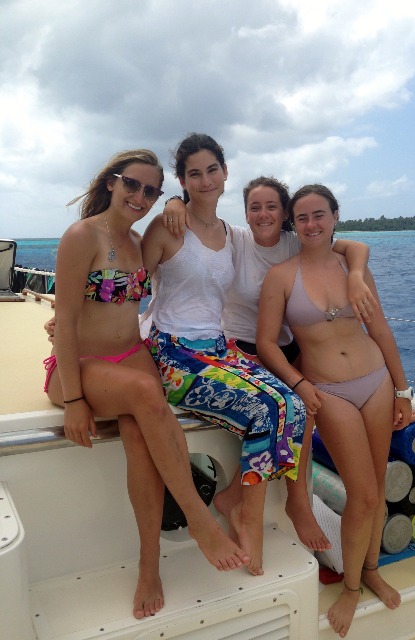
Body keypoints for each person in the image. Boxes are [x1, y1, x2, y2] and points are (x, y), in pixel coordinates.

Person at [43, 149, 249, 620]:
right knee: (143, 394)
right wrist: (74, 400)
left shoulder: (139, 241)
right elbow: (67, 321)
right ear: (111, 183)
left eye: (150, 190)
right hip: (79, 365)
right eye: (131, 184)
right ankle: (200, 520)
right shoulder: (82, 236)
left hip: (128, 355)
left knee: (140, 433)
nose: (139, 196)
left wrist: (176, 201)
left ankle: (149, 564)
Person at [162, 175, 377, 550]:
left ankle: (287, 499)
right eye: (255, 208)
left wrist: (356, 274)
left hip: (285, 346)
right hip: (241, 344)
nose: (263, 215)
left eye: (272, 207)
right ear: (246, 214)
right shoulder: (235, 239)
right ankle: (293, 503)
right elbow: (198, 221)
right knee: (296, 406)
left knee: (311, 404)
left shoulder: (296, 241)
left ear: (285, 213)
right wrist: (175, 202)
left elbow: (354, 246)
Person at [141, 133, 311, 577]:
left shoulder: (231, 235)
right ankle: (248, 518)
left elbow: (279, 241)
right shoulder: (167, 227)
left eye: (212, 170)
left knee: (294, 406)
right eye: (194, 174)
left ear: (225, 172)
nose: (205, 180)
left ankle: (235, 498)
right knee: (263, 408)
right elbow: (128, 286)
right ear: (182, 181)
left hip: (217, 348)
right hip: (174, 354)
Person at [256, 184, 412, 638]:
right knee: (363, 493)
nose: (311, 224)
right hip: (329, 391)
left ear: (335, 216)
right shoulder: (281, 276)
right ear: (294, 223)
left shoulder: (352, 268)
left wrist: (403, 391)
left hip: (376, 380)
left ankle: (371, 569)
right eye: (302, 217)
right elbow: (266, 343)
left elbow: (379, 330)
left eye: (319, 214)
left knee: (377, 486)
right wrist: (299, 383)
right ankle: (350, 586)